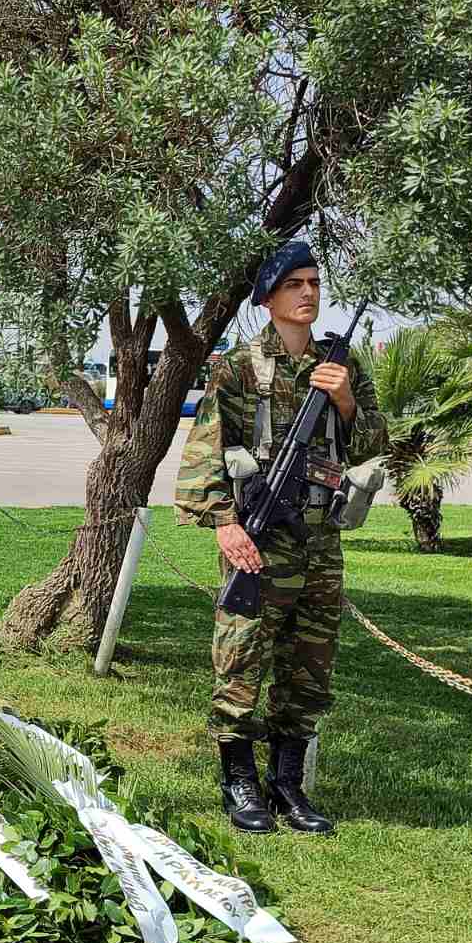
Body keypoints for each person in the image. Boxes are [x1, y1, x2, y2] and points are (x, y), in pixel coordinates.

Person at [174, 242, 388, 834]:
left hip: (320, 543)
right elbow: (204, 452)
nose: (309, 293)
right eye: (295, 284)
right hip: (260, 540)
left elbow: (374, 444)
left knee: (309, 667)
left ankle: (287, 785)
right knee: (241, 659)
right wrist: (225, 523)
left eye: (315, 282)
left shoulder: (343, 367)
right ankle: (240, 782)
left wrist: (343, 398)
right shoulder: (240, 368)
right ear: (268, 297)